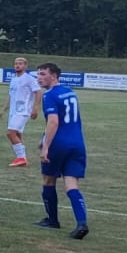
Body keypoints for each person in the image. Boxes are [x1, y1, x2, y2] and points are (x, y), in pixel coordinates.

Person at [34, 63, 89, 239]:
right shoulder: (69, 91)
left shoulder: (49, 95)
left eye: (43, 74)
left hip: (59, 144)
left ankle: (52, 220)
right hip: (77, 143)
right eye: (38, 74)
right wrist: (43, 137)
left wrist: (46, 146)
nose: (39, 78)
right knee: (71, 184)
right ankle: (81, 223)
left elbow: (54, 122)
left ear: (54, 76)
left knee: (48, 180)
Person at [1, 57, 42, 168]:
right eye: (16, 63)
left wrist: (35, 108)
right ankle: (23, 159)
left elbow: (38, 92)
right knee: (17, 134)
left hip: (23, 111)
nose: (17, 65)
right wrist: (5, 109)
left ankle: (21, 158)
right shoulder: (14, 79)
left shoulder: (29, 79)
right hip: (13, 111)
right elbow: (11, 95)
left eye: (20, 63)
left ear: (25, 66)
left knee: (11, 133)